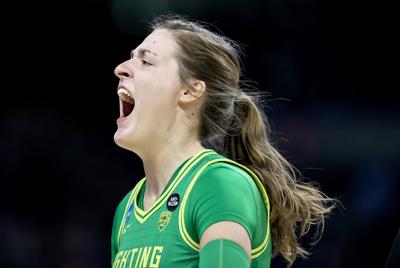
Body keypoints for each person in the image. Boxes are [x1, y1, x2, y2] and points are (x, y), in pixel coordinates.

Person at [110, 14, 337, 268]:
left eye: (146, 61)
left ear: (190, 91)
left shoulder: (218, 184)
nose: (121, 67)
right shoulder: (127, 210)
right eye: (132, 57)